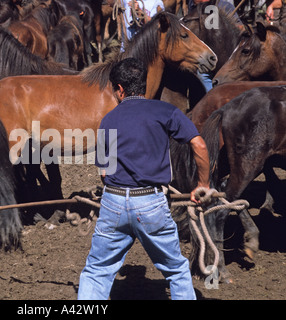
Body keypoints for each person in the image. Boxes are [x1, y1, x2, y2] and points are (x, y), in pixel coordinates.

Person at [77, 57, 210, 300]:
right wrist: (203, 185)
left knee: (96, 271)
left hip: (113, 203)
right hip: (151, 203)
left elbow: (105, 173)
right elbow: (199, 145)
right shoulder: (166, 111)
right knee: (177, 270)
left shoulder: (108, 121)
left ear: (120, 89)